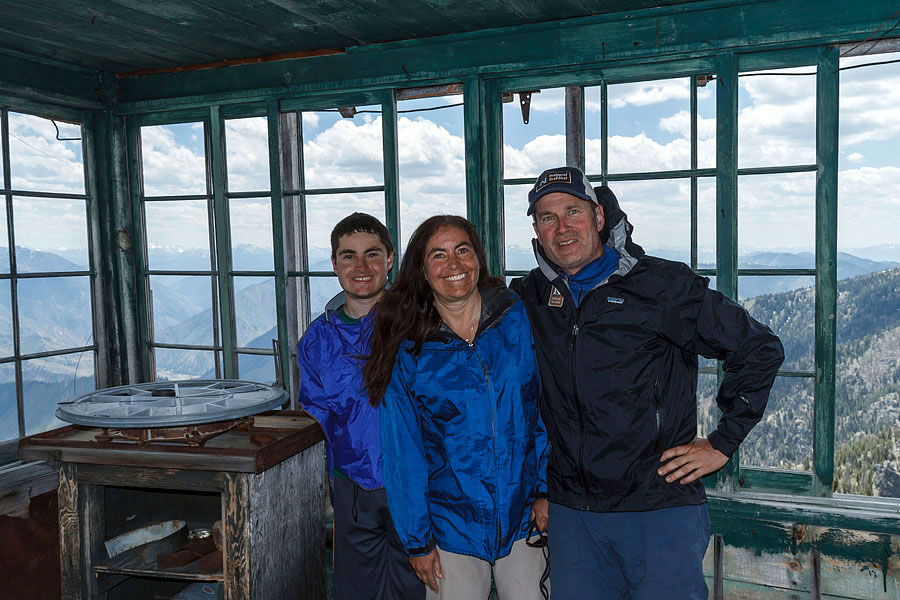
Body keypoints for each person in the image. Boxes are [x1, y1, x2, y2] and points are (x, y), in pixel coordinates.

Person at [510, 166, 785, 600]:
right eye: (547, 217)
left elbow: (758, 348)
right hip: (573, 514)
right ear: (536, 229)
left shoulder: (661, 286)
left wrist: (722, 442)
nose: (561, 228)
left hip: (656, 507)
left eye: (572, 212)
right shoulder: (529, 299)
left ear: (598, 217)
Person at [363, 215, 550, 600]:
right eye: (439, 255)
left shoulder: (515, 318)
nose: (454, 264)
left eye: (462, 250)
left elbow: (543, 409)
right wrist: (418, 541)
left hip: (523, 516)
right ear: (422, 269)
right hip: (451, 525)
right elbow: (404, 453)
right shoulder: (411, 347)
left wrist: (547, 489)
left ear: (478, 258)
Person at [297, 212, 424, 600]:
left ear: (390, 259)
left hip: (419, 486)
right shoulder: (318, 341)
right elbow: (316, 423)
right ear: (334, 265)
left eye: (372, 254)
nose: (362, 266)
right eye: (349, 256)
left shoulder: (418, 322)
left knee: (420, 590)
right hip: (353, 493)